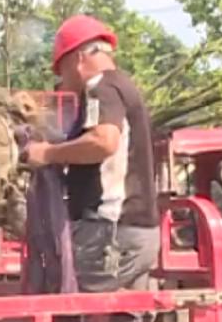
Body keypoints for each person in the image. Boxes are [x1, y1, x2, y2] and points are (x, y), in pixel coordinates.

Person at [23, 15, 159, 299]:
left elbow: (102, 141)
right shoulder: (121, 86)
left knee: (65, 301)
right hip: (129, 233)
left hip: (110, 234)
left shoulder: (101, 86)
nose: (63, 80)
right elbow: (92, 142)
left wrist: (46, 154)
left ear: (79, 58)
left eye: (62, 70)